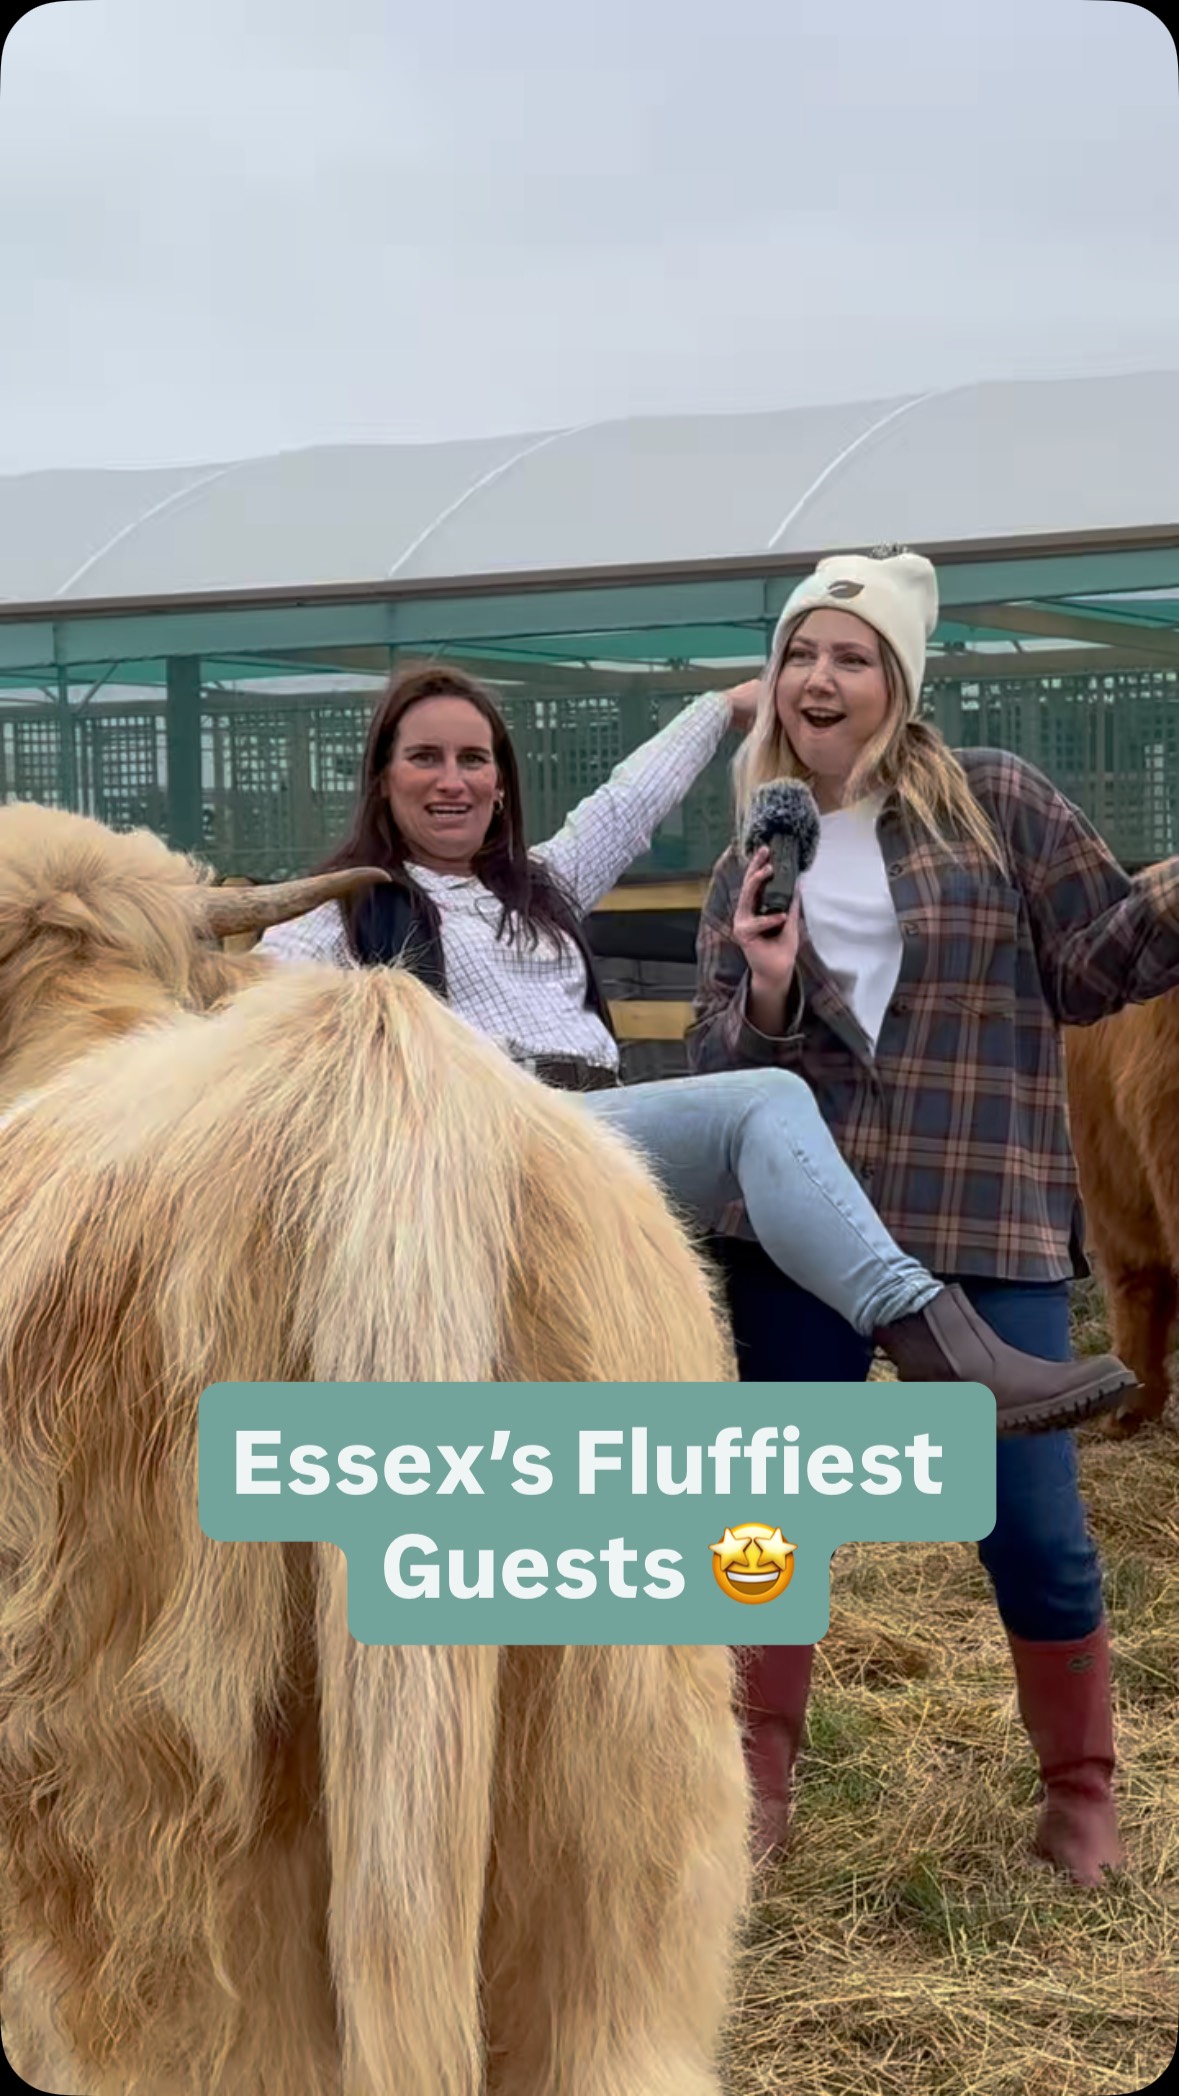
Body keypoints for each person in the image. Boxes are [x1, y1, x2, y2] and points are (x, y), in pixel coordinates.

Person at [257, 662, 1134, 1436]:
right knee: (760, 1101)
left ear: (499, 782)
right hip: (482, 1141)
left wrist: (726, 706)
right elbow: (244, 1042)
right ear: (380, 780)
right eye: (425, 758)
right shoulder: (328, 918)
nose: (452, 781)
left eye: (473, 760)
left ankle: (821, 1368)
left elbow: (628, 801)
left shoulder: (541, 885)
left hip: (597, 1138)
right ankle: (926, 1333)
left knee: (754, 1133)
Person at [688, 544, 1179, 1886]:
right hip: (797, 1234)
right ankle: (752, 1780)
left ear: (896, 681)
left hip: (977, 1216)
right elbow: (721, 1063)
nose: (816, 677)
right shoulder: (757, 847)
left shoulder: (997, 806)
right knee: (766, 1519)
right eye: (798, 652)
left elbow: (1091, 968)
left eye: (849, 655)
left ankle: (1078, 1790)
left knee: (1028, 1518)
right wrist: (774, 984)